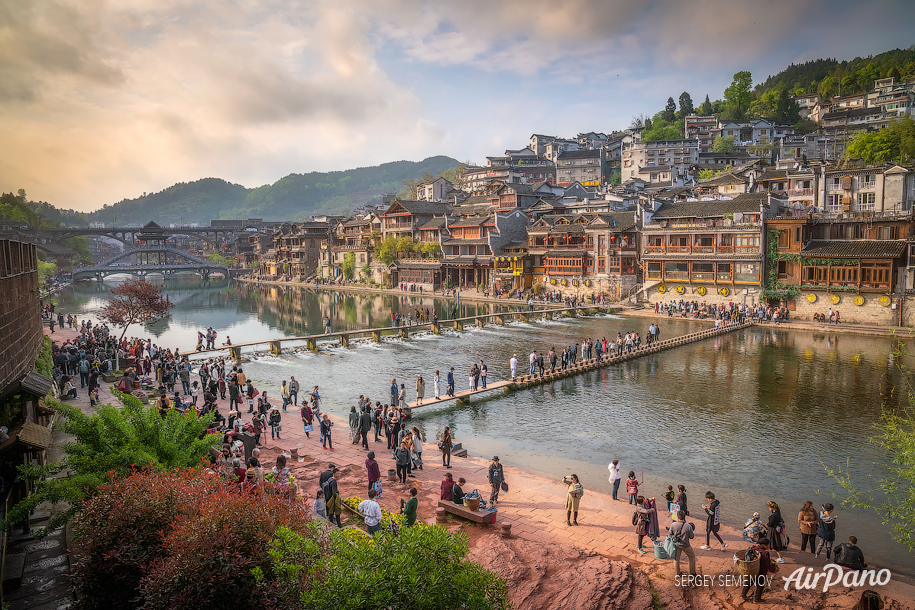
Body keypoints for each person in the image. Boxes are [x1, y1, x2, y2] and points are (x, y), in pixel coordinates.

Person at [740, 537, 779, 603]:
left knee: (749, 582)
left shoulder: (754, 548)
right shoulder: (765, 553)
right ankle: (757, 599)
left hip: (752, 570)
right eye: (768, 545)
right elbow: (768, 565)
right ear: (764, 545)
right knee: (760, 585)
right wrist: (774, 569)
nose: (769, 546)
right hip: (761, 572)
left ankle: (743, 595)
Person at [669, 510, 696, 576]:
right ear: (684, 517)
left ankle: (677, 573)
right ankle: (692, 572)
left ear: (678, 517)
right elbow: (692, 537)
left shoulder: (673, 524)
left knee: (676, 559)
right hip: (686, 545)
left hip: (677, 544)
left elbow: (670, 534)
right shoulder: (688, 526)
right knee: (692, 556)